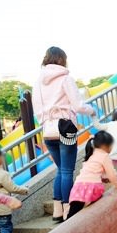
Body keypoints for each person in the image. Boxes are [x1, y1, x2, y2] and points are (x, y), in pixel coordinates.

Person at [32, 46, 95, 221]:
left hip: (48, 130)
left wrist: (46, 120)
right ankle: (69, 208)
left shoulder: (37, 82)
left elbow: (37, 109)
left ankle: (57, 210)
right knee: (67, 170)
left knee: (60, 169)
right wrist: (91, 111)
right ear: (62, 59)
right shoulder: (65, 78)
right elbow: (78, 105)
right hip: (65, 127)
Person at [66, 131, 117, 219]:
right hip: (92, 188)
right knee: (77, 212)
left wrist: (102, 179)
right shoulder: (104, 156)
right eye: (112, 145)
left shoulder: (91, 154)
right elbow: (112, 174)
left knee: (73, 212)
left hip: (77, 187)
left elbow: (90, 172)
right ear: (105, 145)